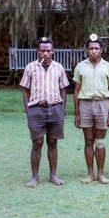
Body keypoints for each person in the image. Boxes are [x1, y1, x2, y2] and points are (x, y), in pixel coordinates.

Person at [20, 37, 70, 188]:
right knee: (37, 142)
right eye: (42, 50)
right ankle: (34, 177)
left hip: (55, 108)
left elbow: (63, 89)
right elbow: (25, 89)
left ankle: (53, 175)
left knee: (52, 142)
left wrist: (61, 108)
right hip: (36, 109)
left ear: (52, 51)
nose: (45, 54)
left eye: (48, 50)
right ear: (37, 51)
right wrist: (28, 110)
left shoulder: (58, 68)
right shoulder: (31, 68)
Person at [73, 33, 109, 184]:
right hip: (85, 105)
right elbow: (77, 90)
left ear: (101, 50)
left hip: (102, 104)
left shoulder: (108, 67)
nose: (94, 51)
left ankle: (101, 174)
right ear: (87, 50)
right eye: (91, 48)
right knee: (88, 141)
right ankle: (90, 174)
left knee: (100, 142)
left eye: (96, 48)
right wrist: (77, 113)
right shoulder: (80, 66)